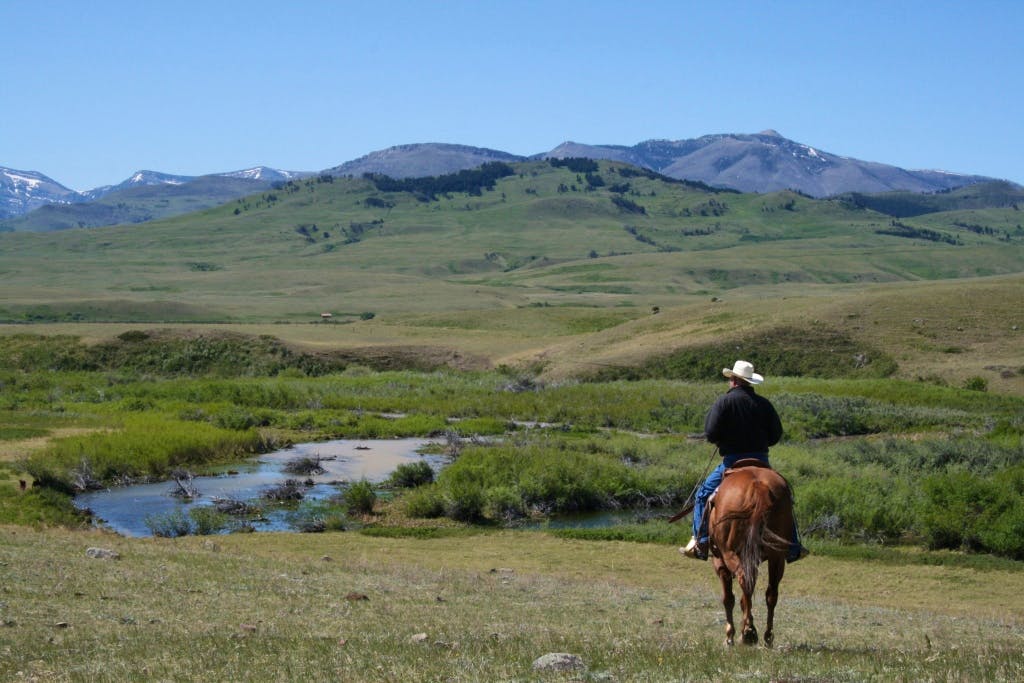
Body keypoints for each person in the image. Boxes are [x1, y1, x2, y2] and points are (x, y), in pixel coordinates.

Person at [680, 360, 808, 562]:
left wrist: (723, 438)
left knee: (703, 494)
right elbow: (775, 435)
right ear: (749, 382)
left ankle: (701, 541)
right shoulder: (764, 404)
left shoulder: (724, 402)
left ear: (733, 380)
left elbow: (711, 433)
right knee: (785, 497)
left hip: (732, 462)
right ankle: (793, 546)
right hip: (761, 461)